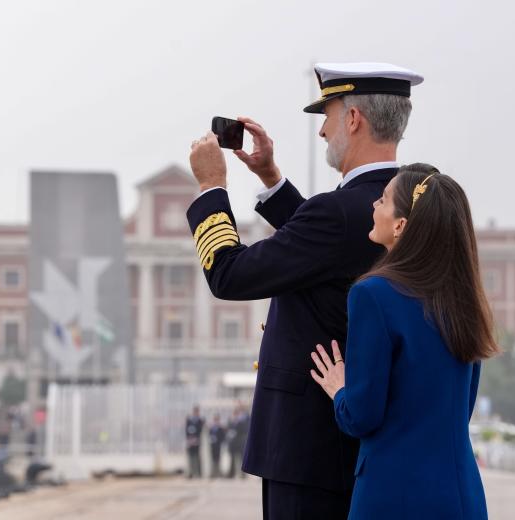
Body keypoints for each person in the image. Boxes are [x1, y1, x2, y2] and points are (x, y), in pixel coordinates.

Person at [187, 62, 423, 519]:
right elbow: (330, 246)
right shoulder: (409, 200)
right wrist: (271, 179)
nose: (322, 133)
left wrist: (211, 188)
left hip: (307, 450)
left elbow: (229, 275)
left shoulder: (337, 214)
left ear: (353, 119)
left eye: (327, 116)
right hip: (356, 444)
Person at [309, 166, 499, 518]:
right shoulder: (463, 299)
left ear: (400, 225)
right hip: (460, 496)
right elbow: (461, 408)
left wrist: (339, 389)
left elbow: (362, 416)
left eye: (382, 200)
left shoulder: (374, 294)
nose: (373, 206)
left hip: (392, 495)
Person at [185, 406, 205, 479]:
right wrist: (189, 439)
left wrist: (196, 439)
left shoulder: (200, 421)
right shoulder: (189, 420)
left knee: (197, 458)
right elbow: (186, 431)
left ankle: (197, 473)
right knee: (190, 458)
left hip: (197, 442)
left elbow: (201, 431)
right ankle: (190, 472)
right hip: (190, 441)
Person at [208, 414, 226, 478]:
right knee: (213, 460)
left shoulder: (221, 428)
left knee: (218, 460)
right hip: (212, 446)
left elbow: (223, 437)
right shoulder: (211, 428)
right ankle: (213, 473)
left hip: (218, 446)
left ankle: (218, 473)